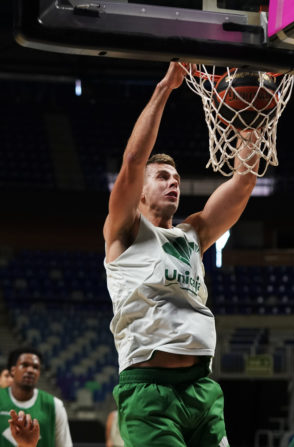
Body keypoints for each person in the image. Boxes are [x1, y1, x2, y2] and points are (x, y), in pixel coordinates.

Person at [103, 62, 260, 447]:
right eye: (162, 178)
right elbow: (132, 162)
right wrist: (166, 87)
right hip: (149, 391)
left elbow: (242, 184)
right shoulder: (125, 231)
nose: (173, 183)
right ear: (140, 191)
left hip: (201, 389)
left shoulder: (194, 233)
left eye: (176, 179)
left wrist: (251, 124)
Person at [0, 347, 72, 447]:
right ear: (13, 370)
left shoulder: (55, 405)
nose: (31, 370)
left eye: (36, 367)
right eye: (25, 365)